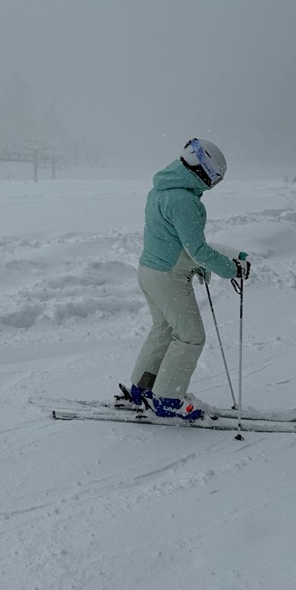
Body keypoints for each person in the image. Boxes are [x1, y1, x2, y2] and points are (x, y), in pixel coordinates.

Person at [117, 138, 251, 422]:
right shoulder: (184, 200)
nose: (213, 185)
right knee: (191, 337)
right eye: (215, 178)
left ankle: (142, 390)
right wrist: (231, 269)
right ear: (203, 171)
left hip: (149, 271)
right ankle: (167, 399)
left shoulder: (161, 190)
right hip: (167, 277)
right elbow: (197, 248)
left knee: (163, 330)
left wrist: (195, 265)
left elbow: (172, 239)